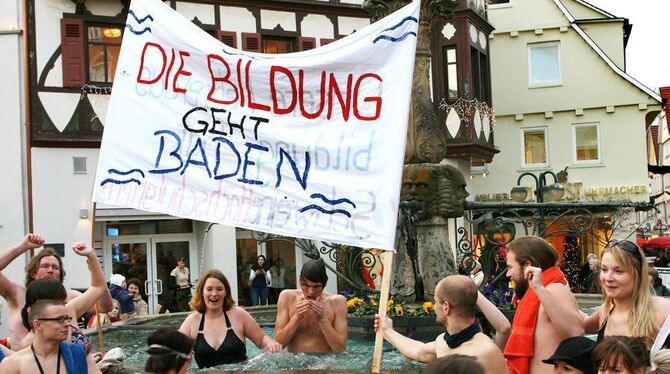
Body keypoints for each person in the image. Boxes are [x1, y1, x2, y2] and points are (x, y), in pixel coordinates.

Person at [375, 275, 508, 373]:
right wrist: (387, 331)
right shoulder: (442, 341)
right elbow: (418, 351)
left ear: (446, 307)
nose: (433, 306)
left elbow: (505, 328)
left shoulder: (486, 351)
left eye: (435, 301)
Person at [0, 235, 113, 349]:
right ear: (33, 273)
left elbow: (105, 306)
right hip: (22, 363)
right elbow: (98, 287)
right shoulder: (16, 294)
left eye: (55, 267)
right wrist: (22, 247)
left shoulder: (70, 299)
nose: (50, 270)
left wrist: (94, 266)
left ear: (60, 276)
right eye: (45, 266)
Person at [504, 236, 583, 374]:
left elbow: (575, 333)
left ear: (527, 265)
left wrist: (540, 289)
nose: (508, 274)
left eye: (510, 267)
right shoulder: (540, 294)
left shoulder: (554, 290)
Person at [179, 269, 281, 368]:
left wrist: (270, 344)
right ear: (202, 292)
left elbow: (261, 339)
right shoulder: (191, 321)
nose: (214, 294)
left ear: (225, 292)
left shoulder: (239, 315)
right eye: (209, 289)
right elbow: (172, 351)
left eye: (219, 289)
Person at [584, 239, 670, 349]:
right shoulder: (605, 310)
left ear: (638, 274)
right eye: (604, 269)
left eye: (619, 271)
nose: (608, 278)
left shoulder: (664, 311)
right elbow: (578, 325)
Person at [0, 299, 101, 373]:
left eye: (67, 319)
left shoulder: (78, 355)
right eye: (60, 319)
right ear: (38, 324)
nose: (67, 324)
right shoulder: (13, 364)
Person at [275, 259, 348, 353]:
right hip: (293, 362)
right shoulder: (287, 297)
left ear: (325, 284)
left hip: (326, 362)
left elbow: (340, 350)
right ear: (300, 281)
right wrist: (296, 318)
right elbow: (278, 345)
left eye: (316, 286)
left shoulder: (337, 302)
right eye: (306, 285)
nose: (310, 292)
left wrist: (322, 319)